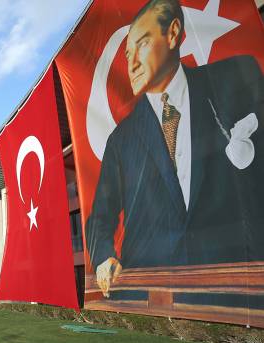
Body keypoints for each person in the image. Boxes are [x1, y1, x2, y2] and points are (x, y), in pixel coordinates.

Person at [86, 0, 264, 297]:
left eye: (141, 45)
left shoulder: (232, 80)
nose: (131, 64)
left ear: (173, 33)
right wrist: (103, 256)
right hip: (153, 293)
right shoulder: (122, 139)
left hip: (237, 286)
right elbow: (100, 218)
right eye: (127, 54)